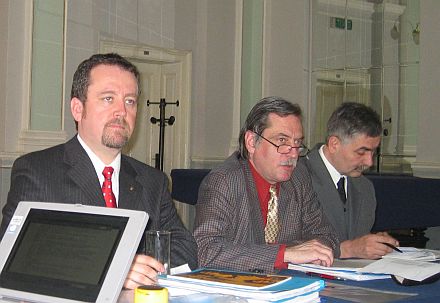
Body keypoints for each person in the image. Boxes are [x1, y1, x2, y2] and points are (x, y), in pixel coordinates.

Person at [0, 53, 197, 288]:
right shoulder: (38, 172)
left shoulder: (152, 181)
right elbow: (17, 258)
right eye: (108, 99)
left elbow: (185, 249)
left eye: (130, 101)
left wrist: (141, 269)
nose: (121, 111)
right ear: (77, 108)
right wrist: (117, 268)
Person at [193, 96, 339, 274]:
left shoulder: (299, 177)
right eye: (282, 141)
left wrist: (299, 252)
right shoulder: (224, 181)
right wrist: (284, 254)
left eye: (297, 144)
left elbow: (328, 237)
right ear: (251, 142)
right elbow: (206, 251)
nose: (293, 154)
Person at [303, 102, 399, 259]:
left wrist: (375, 244)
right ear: (334, 144)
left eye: (373, 152)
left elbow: (357, 243)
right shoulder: (296, 178)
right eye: (361, 152)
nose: (369, 162)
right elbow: (283, 244)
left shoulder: (365, 188)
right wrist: (349, 249)